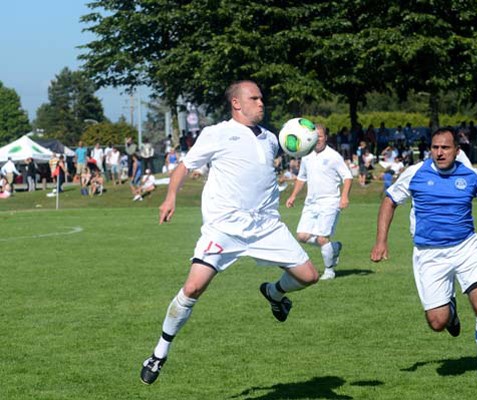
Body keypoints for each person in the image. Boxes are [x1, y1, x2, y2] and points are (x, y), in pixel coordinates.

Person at [140, 80, 319, 385]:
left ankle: (274, 293)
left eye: (262, 97)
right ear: (237, 103)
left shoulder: (271, 139)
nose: (261, 102)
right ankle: (159, 353)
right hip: (225, 227)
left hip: (265, 225)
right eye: (254, 97)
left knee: (309, 276)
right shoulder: (216, 133)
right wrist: (170, 196)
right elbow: (184, 167)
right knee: (194, 287)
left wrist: (311, 140)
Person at [370, 127, 477, 387]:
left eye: (445, 147)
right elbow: (389, 201)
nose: (439, 152)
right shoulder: (415, 174)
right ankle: (450, 312)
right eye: (435, 147)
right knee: (437, 322)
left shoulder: (471, 176)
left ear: (457, 150)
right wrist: (381, 241)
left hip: (466, 249)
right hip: (429, 255)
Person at [285, 124, 353, 280]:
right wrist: (293, 195)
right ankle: (333, 247)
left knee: (322, 238)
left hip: (329, 202)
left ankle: (329, 270)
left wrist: (344, 197)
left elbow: (347, 177)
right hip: (311, 202)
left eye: (320, 136)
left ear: (326, 138)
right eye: (315, 137)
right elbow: (302, 178)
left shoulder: (334, 156)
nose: (317, 140)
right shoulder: (306, 155)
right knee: (301, 236)